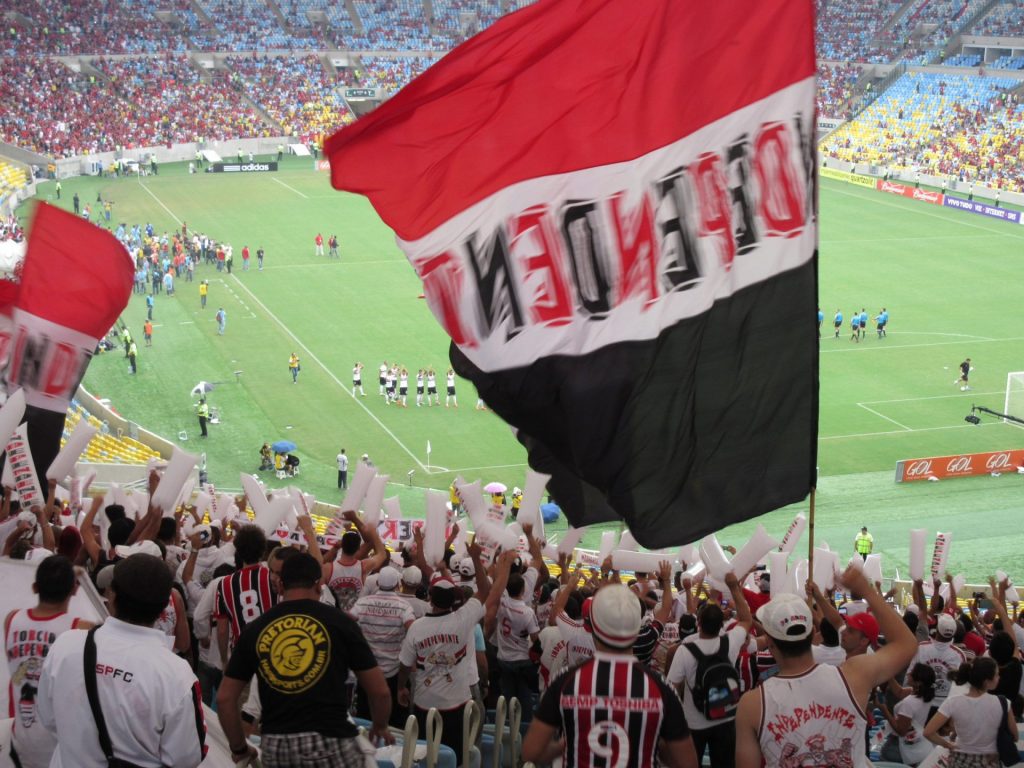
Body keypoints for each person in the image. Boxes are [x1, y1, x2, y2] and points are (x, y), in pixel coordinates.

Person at [218, 553, 394, 767]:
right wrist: (380, 725)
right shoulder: (341, 622)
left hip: (278, 749)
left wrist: (240, 748)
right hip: (334, 741)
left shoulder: (255, 629)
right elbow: (380, 692)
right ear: (319, 585)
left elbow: (225, 699)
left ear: (281, 586)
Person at [734, 566, 918, 768]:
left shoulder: (751, 705)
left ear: (769, 641)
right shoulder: (854, 675)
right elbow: (906, 644)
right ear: (812, 632)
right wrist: (867, 592)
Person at [36, 554, 207, 767]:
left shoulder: (67, 645)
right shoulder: (176, 675)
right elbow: (186, 757)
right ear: (164, 607)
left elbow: (47, 716)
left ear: (113, 596)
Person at [523, 582, 699, 768]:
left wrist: (564, 744)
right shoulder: (661, 689)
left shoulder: (566, 682)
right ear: (636, 626)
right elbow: (687, 763)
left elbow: (532, 751)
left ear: (595, 625)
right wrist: (652, 743)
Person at [398, 550, 493, 756]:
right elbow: (486, 588)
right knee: (454, 757)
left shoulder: (416, 626)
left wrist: (401, 688)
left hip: (425, 703)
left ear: (430, 598)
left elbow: (405, 665)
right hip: (456, 704)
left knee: (425, 756)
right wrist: (477, 559)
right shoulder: (464, 618)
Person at [5, 555, 93, 768]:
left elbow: (20, 672)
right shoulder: (83, 631)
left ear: (35, 587)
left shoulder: (12, 619)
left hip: (22, 741)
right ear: (74, 589)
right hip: (60, 747)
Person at [667, 572, 752, 768]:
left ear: (698, 624)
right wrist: (733, 587)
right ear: (721, 625)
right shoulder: (730, 642)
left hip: (694, 722)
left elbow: (672, 688)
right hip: (726, 717)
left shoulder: (685, 651)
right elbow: (746, 619)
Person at [923, 656, 1017, 768]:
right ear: (987, 681)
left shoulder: (953, 702)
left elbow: (928, 732)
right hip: (990, 762)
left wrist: (947, 745)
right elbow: (1014, 736)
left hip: (959, 760)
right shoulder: (1004, 703)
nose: (999, 677)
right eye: (997, 674)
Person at [351, 566, 415, 726]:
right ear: (398, 584)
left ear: (378, 582)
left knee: (365, 722)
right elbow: (413, 630)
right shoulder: (404, 606)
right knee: (394, 722)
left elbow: (347, 622)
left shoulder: (362, 603)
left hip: (368, 671)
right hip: (394, 671)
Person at [876, 662, 938, 767]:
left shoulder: (909, 704)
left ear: (918, 682)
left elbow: (901, 731)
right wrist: (889, 676)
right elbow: (900, 692)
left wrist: (883, 709)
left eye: (911, 673)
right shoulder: (924, 694)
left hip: (898, 747)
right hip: (915, 743)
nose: (908, 674)